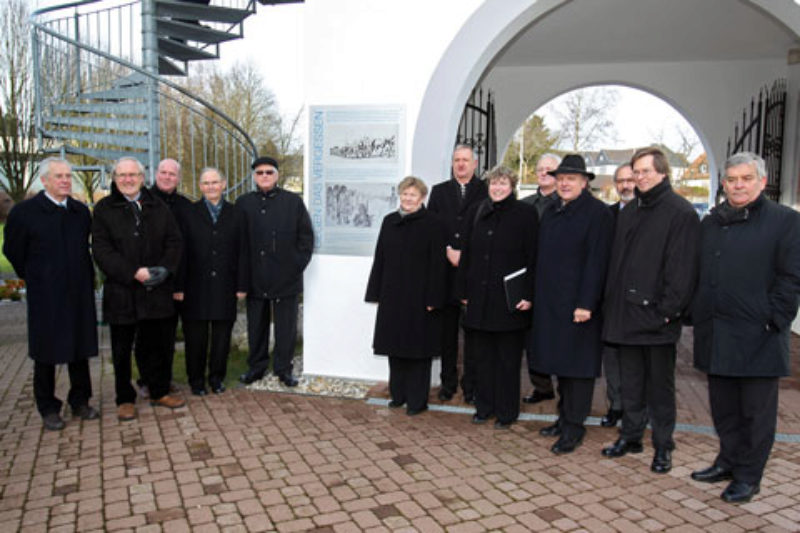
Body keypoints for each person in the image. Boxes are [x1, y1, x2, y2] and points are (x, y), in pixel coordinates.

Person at [690, 152, 800, 503]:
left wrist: (774, 318)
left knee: (755, 413)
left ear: (762, 181)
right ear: (724, 184)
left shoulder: (785, 221)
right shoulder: (712, 222)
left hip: (759, 336)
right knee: (723, 408)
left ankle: (749, 476)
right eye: (732, 179)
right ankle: (728, 461)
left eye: (746, 178)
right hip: (717, 334)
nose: (738, 185)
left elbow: (791, 277)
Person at [601, 147, 700, 474]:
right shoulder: (630, 211)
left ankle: (663, 447)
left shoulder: (680, 212)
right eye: (636, 172)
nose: (639, 177)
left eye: (645, 171)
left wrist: (666, 313)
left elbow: (682, 271)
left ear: (662, 172)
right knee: (630, 384)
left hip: (656, 319)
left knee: (660, 389)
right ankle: (631, 437)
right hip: (626, 317)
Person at [3, 157, 99, 430]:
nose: (65, 181)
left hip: (78, 291)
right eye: (59, 176)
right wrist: (37, 275)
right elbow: (13, 250)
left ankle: (80, 400)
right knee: (45, 352)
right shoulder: (25, 213)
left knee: (80, 348)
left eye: (68, 176)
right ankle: (47, 406)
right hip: (46, 293)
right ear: (44, 180)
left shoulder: (80, 212)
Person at [531, 155, 614, 454]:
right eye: (561, 178)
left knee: (577, 370)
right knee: (559, 365)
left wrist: (586, 303)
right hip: (551, 303)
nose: (564, 183)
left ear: (584, 182)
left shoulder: (597, 213)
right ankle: (563, 418)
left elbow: (597, 262)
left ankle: (574, 428)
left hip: (579, 306)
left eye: (571, 179)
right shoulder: (552, 210)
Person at [92, 157, 185, 421]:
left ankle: (158, 391)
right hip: (122, 292)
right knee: (121, 350)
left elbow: (174, 241)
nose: (127, 179)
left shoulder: (158, 207)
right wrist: (133, 272)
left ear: (142, 178)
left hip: (156, 291)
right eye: (122, 175)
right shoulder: (104, 209)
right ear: (114, 178)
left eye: (133, 175)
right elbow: (101, 250)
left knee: (155, 346)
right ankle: (124, 398)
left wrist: (164, 269)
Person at [457, 166, 538, 429]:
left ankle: (506, 412)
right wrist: (464, 292)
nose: (498, 188)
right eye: (494, 183)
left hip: (509, 303)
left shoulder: (526, 214)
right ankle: (484, 407)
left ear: (512, 185)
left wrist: (528, 294)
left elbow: (533, 257)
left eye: (503, 183)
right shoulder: (477, 211)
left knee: (507, 361)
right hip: (479, 300)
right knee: (482, 359)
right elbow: (466, 255)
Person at [365, 176, 448, 415]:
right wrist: (375, 291)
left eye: (413, 195)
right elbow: (380, 257)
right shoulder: (389, 221)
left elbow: (437, 265)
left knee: (418, 352)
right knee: (394, 348)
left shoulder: (434, 223)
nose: (408, 199)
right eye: (404, 194)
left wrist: (434, 298)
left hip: (420, 298)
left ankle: (416, 401)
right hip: (392, 294)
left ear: (422, 198)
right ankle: (398, 395)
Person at [236, 156, 314, 387]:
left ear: (277, 175)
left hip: (285, 278)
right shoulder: (243, 203)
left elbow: (306, 238)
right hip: (255, 277)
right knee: (256, 327)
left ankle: (283, 369)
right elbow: (237, 241)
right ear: (254, 176)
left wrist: (294, 266)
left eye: (269, 172)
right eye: (259, 173)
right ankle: (256, 368)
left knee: (285, 329)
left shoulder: (293, 202)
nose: (264, 176)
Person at [174, 168, 246, 396]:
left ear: (224, 184)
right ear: (200, 186)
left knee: (221, 338)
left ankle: (216, 378)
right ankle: (196, 381)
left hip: (225, 286)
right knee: (196, 338)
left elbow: (243, 251)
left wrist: (242, 284)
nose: (211, 186)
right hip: (195, 287)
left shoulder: (237, 213)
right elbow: (180, 252)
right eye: (206, 183)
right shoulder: (188, 213)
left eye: (215, 182)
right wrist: (178, 286)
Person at [427, 144, 488, 404]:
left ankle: (471, 386)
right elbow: (430, 229)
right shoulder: (439, 192)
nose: (461, 164)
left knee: (473, 334)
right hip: (445, 275)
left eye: (465, 160)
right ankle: (448, 383)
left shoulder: (487, 191)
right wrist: (446, 250)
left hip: (473, 275)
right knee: (446, 334)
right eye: (456, 160)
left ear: (475, 164)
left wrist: (467, 253)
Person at [135, 158, 193, 396]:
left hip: (175, 282)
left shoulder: (185, 206)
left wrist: (179, 284)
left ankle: (164, 379)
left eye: (172, 174)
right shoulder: (141, 201)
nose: (167, 177)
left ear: (178, 178)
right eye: (163, 172)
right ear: (155, 173)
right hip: (147, 281)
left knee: (167, 337)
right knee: (146, 336)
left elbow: (187, 248)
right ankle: (146, 380)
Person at [521, 153, 561, 405]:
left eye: (550, 169)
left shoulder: (567, 204)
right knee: (532, 339)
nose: (544, 172)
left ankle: (565, 387)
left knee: (557, 337)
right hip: (528, 279)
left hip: (556, 281)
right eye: (540, 169)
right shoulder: (524, 204)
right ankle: (542, 386)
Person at [600, 163, 636, 428]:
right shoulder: (607, 215)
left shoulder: (651, 215)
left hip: (638, 301)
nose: (625, 186)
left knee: (635, 361)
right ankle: (616, 405)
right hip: (610, 299)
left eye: (630, 180)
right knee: (611, 358)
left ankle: (635, 410)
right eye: (621, 181)